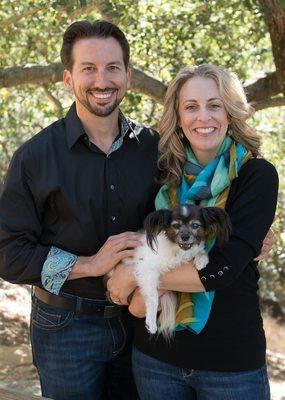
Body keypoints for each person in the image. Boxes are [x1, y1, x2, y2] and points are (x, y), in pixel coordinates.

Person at [0, 20, 159, 400]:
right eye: (88, 68)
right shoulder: (35, 158)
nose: (101, 80)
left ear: (129, 77)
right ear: (69, 79)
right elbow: (8, 253)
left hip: (141, 320)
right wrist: (90, 264)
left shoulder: (156, 148)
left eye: (112, 68)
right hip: (65, 326)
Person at [107, 64, 279, 400]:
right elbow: (137, 244)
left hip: (230, 365)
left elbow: (219, 270)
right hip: (155, 359)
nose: (203, 117)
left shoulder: (256, 176)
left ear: (230, 112)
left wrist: (136, 277)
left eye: (214, 105)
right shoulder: (160, 177)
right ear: (179, 117)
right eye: (191, 107)